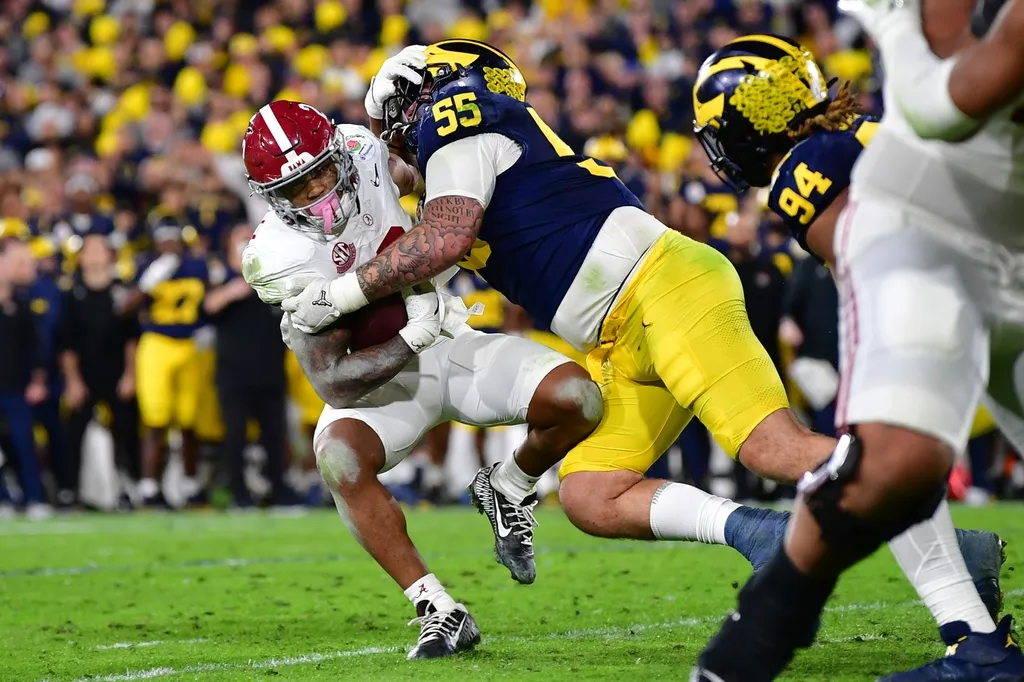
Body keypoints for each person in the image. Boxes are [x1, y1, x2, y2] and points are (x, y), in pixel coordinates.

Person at [280, 40, 1001, 596]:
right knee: (592, 495)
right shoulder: (462, 153)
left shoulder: (458, 115)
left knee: (772, 451)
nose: (392, 147)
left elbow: (443, 242)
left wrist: (334, 298)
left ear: (415, 97)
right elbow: (415, 254)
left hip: (664, 288)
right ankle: (757, 534)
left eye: (390, 128)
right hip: (622, 334)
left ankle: (947, 546)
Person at [687, 32, 1024, 681]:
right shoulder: (860, 134)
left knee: (880, 463)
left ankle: (975, 645)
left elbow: (887, 266)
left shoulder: (804, 171)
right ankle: (976, 643)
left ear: (748, 120)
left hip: (970, 295)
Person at [240, 97, 601, 658]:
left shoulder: (364, 150)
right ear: (271, 198)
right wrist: (411, 337)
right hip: (383, 388)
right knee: (337, 458)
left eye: (321, 173)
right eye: (296, 188)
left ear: (339, 152)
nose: (315, 193)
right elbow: (333, 383)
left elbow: (426, 182)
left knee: (580, 399)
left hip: (452, 346)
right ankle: (438, 608)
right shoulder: (276, 255)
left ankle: (506, 485)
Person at [203, 223, 294, 509]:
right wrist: (235, 289)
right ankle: (238, 493)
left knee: (275, 436)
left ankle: (279, 491)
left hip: (270, 371)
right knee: (235, 437)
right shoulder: (220, 277)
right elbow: (208, 306)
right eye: (240, 238)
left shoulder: (272, 276)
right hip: (234, 373)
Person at [120, 217, 209, 509]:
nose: (168, 244)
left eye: (173, 237)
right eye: (164, 238)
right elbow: (124, 308)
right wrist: (148, 282)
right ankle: (149, 487)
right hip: (157, 343)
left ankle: (190, 484)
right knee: (156, 419)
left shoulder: (198, 265)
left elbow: (209, 304)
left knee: (189, 420)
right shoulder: (147, 264)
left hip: (190, 345)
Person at [59, 234, 140, 510]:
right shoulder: (73, 294)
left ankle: (130, 487)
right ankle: (69, 491)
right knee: (73, 432)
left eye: (99, 249)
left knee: (126, 431)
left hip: (117, 374)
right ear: (80, 258)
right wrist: (73, 381)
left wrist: (130, 375)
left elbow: (132, 339)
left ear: (110, 256)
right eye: (88, 250)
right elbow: (66, 342)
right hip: (85, 375)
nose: (94, 255)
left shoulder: (122, 292)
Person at [0, 239, 51, 519]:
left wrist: (38, 381)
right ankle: (4, 499)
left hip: (16, 387)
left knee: (24, 444)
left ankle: (34, 497)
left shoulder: (22, 306)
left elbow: (36, 349)